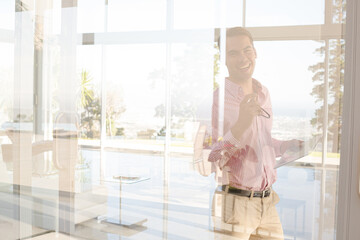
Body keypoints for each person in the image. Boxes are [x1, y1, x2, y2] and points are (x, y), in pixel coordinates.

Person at [209, 27, 302, 240]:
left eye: (246, 50)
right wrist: (241, 123)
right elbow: (214, 156)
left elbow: (263, 140)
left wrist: (284, 146)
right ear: (224, 59)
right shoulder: (218, 100)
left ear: (255, 52)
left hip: (267, 201)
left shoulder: (263, 93)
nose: (242, 58)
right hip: (235, 204)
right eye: (233, 53)